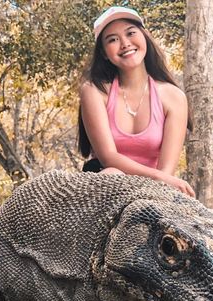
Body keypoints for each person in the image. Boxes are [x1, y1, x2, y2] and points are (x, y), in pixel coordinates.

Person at [78, 6, 195, 197]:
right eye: (113, 39)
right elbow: (108, 157)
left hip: (152, 190)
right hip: (105, 184)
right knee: (112, 174)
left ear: (145, 36)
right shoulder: (93, 91)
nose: (124, 43)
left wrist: (158, 182)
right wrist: (158, 178)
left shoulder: (173, 97)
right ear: (104, 53)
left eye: (131, 33)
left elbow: (166, 172)